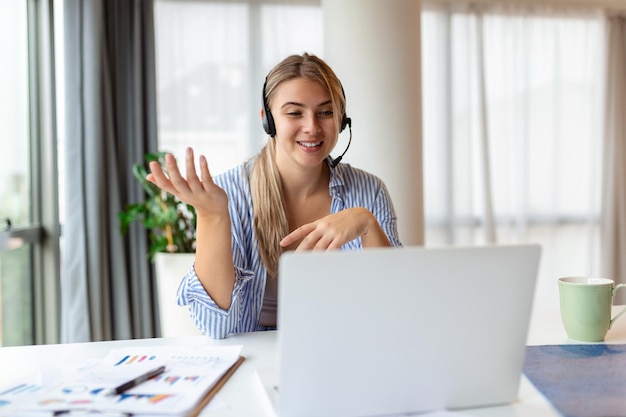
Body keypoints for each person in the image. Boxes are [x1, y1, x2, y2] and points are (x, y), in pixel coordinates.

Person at [147, 53, 402, 339]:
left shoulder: (369, 192)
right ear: (268, 120)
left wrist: (367, 223)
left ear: (342, 119)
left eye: (326, 112)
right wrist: (212, 216)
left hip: (343, 349)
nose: (312, 127)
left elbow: (395, 308)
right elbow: (216, 327)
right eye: (294, 113)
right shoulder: (230, 192)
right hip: (255, 358)